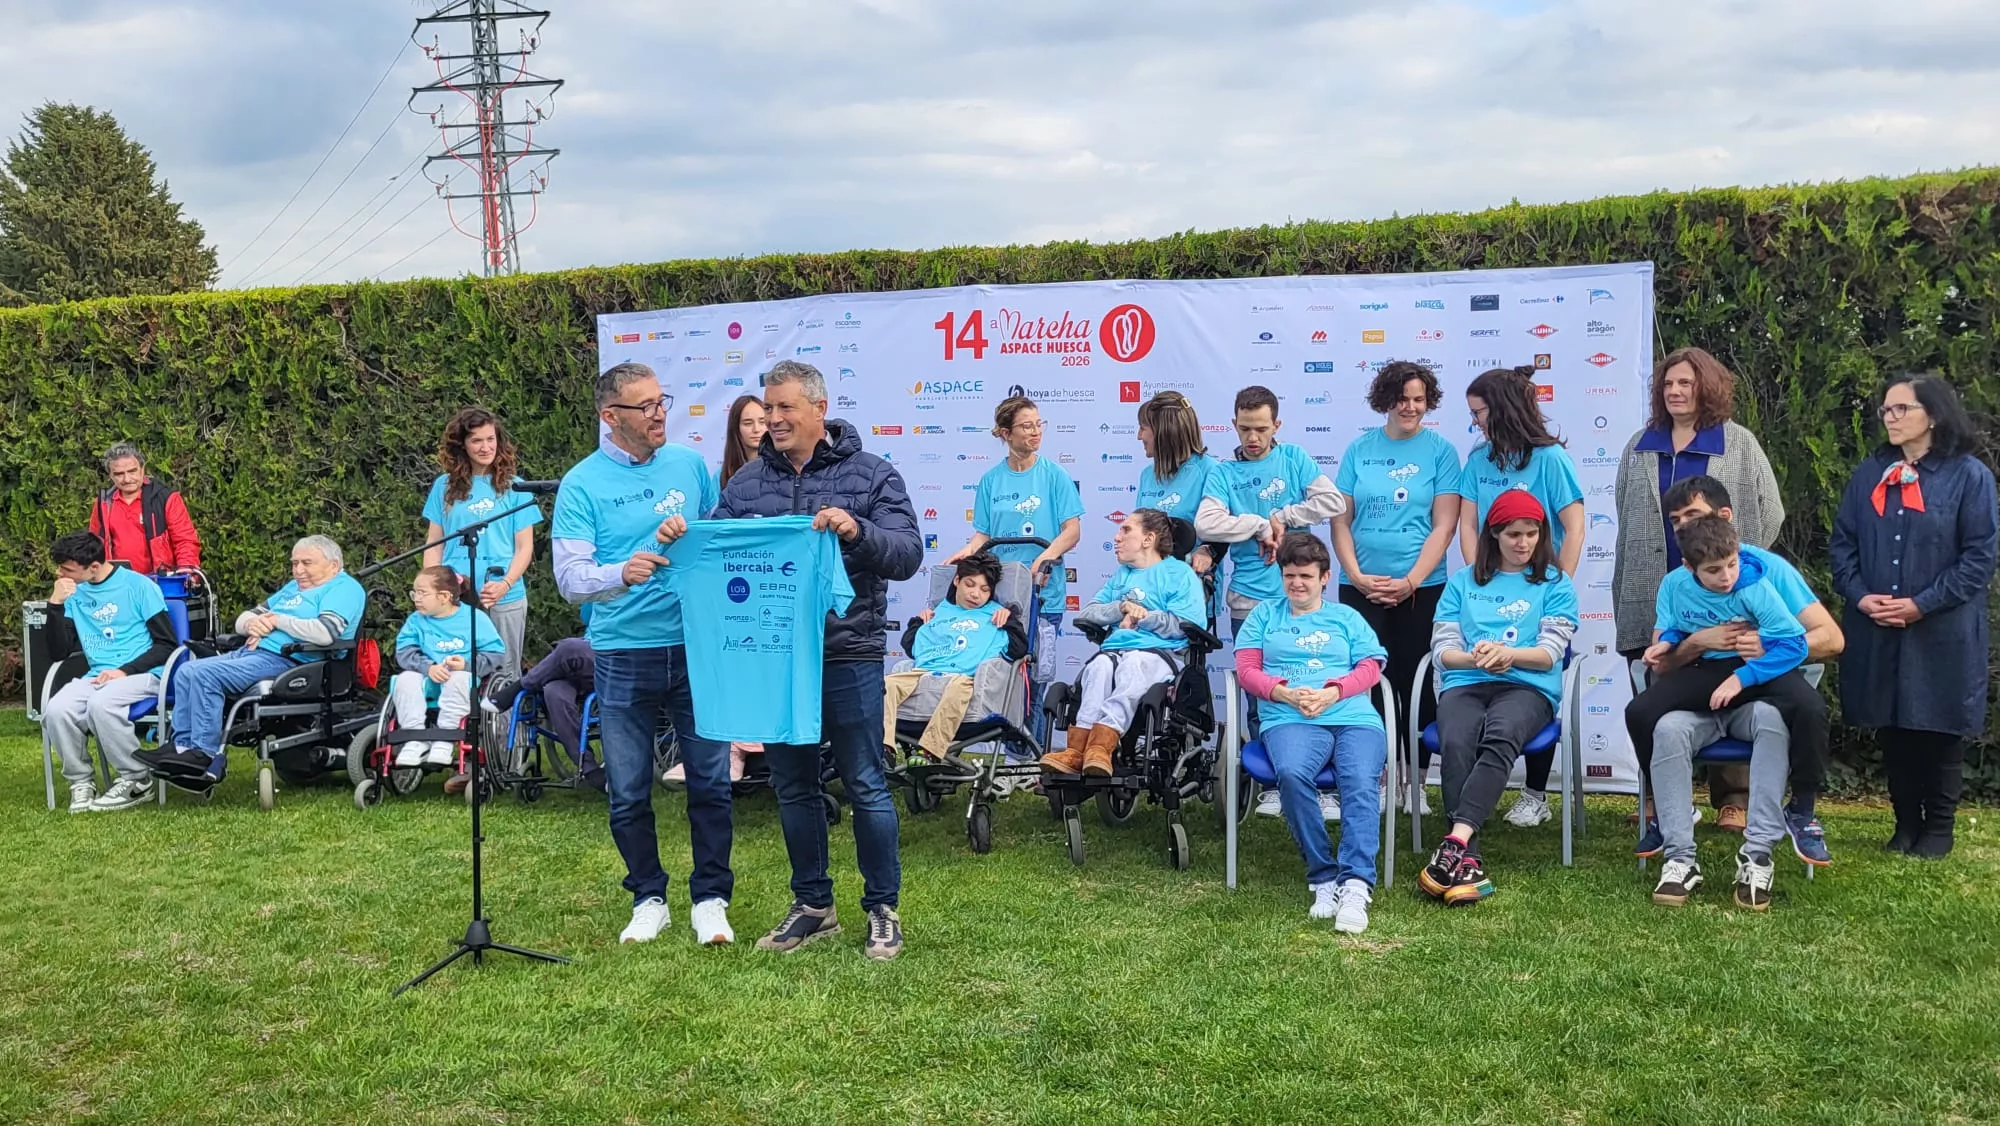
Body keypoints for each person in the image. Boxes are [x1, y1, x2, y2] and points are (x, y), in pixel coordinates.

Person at [715, 360, 922, 961]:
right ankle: (813, 906)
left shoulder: (873, 474)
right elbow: (721, 549)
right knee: (793, 786)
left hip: (848, 653)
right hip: (775, 658)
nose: (772, 420)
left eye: (784, 409)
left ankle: (883, 909)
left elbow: (907, 555)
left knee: (865, 782)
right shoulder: (746, 483)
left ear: (818, 410)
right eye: (767, 409)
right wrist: (684, 538)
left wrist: (856, 531)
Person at [553, 361, 735, 947]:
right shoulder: (581, 484)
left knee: (709, 780)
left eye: (663, 401)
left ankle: (710, 898)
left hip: (695, 646)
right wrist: (621, 572)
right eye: (646, 405)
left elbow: (715, 541)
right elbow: (570, 579)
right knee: (629, 788)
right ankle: (648, 897)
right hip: (623, 651)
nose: (660, 413)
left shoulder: (690, 464)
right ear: (612, 417)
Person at [1613, 347, 1784, 830]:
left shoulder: (1737, 443)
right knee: (1654, 689)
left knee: (1728, 685)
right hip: (1653, 591)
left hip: (1722, 597)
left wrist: (1730, 561)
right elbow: (1627, 515)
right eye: (1668, 384)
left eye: (1685, 383)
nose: (1675, 392)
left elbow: (1770, 511)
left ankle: (1734, 796)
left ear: (1706, 387)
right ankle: (1659, 798)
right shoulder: (1640, 445)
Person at [1634, 475, 1843, 868]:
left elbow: (1831, 639)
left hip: (1763, 669)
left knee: (1811, 708)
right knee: (1640, 711)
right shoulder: (1677, 581)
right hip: (1703, 672)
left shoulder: (1766, 572)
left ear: (1724, 517)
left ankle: (1802, 812)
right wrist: (1696, 641)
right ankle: (1664, 812)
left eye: (1691, 515)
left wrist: (1765, 643)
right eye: (1675, 519)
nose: (1682, 526)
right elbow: (1664, 661)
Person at [1832, 373, 1998, 859]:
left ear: (1935, 415)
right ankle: (1905, 824)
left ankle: (1939, 829)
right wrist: (1862, 597)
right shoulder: (1869, 474)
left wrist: (1921, 603)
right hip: (1878, 625)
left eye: (1901, 409)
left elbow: (1978, 558)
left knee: (1939, 727)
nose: (1890, 417)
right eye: (1886, 409)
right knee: (1894, 726)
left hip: (1942, 628)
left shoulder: (1969, 477)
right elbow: (1844, 544)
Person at [1637, 516, 1812, 908]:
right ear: (1689, 566)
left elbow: (1795, 644)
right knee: (1665, 726)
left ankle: (1758, 854)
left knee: (1774, 721)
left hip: (1748, 694)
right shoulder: (1674, 585)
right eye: (1715, 571)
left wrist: (1744, 673)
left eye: (1731, 565)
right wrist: (1666, 644)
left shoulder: (1755, 587)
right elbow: (1672, 630)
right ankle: (1679, 857)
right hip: (1697, 692)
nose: (1727, 576)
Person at [1419, 491, 1578, 906]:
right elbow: (1442, 650)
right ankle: (1467, 858)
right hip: (1466, 681)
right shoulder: (1462, 581)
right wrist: (1476, 656)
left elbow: (1548, 655)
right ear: (1494, 534)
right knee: (1456, 738)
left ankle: (1455, 838)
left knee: (1502, 733)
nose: (1522, 543)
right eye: (1513, 534)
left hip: (1528, 686)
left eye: (1531, 533)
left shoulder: (1556, 583)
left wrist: (1508, 655)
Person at [1194, 385, 1347, 815]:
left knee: (1313, 681)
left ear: (1276, 425)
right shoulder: (1223, 472)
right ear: (1234, 425)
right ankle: (1275, 782)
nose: (1253, 437)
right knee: (1261, 692)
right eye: (1245, 429)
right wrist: (1260, 525)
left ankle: (1319, 782)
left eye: (1261, 428)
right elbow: (1207, 520)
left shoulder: (1295, 459)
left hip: (1300, 596)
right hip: (1249, 602)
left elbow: (1332, 501)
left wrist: (1284, 516)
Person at [1234, 532, 1389, 934]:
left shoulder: (1347, 617)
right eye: (1289, 576)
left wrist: (1333, 691)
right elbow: (1247, 670)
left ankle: (1355, 884)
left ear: (1324, 577)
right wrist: (1283, 693)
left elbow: (1371, 667)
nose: (1296, 584)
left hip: (1352, 715)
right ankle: (1323, 876)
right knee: (1292, 774)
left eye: (1305, 575)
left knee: (1359, 780)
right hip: (1290, 716)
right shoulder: (1264, 616)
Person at [1453, 365, 1585, 829]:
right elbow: (1469, 525)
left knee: (1533, 685)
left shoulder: (1550, 459)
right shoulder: (1479, 459)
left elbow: (1574, 526)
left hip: (1540, 595)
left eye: (1479, 412)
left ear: (1503, 408)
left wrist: (1554, 585)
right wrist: (1480, 579)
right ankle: (1470, 801)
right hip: (1489, 590)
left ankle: (1535, 793)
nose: (1476, 423)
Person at [1330, 360, 1461, 818]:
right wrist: (1357, 575)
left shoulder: (1442, 451)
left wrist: (1411, 581)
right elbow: (1340, 521)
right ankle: (1379, 780)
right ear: (1385, 400)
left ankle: (1417, 783)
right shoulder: (1359, 450)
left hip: (1422, 590)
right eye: (1402, 398)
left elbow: (1444, 526)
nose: (1410, 407)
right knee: (1367, 686)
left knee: (1418, 684)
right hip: (1360, 588)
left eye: (1419, 399)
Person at [144, 536, 366, 784]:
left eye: (306, 563)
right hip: (253, 653)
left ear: (333, 566)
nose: (298, 570)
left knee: (204, 674)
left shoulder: (344, 588)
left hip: (293, 660)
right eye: (294, 563)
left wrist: (276, 621)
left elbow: (325, 633)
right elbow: (242, 620)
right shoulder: (294, 588)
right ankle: (181, 748)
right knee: (186, 670)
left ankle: (204, 754)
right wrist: (252, 623)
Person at [943, 395, 1083, 755]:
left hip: (1042, 593)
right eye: (1027, 426)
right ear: (1006, 433)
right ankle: (998, 749)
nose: (1036, 432)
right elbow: (983, 534)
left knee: (1034, 678)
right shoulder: (991, 480)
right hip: (1002, 594)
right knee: (1003, 672)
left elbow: (1071, 530)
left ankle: (1026, 757)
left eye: (1039, 424)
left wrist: (1047, 556)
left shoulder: (1054, 475)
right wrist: (966, 553)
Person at [1038, 508, 1206, 776]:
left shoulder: (1180, 574)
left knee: (1135, 664)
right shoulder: (1122, 575)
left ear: (1148, 539)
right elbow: (1088, 612)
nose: (1117, 537)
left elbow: (1188, 625)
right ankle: (1078, 750)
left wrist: (1146, 617)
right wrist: (1122, 608)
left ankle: (1101, 748)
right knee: (1099, 667)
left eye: (1126, 530)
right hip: (1116, 650)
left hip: (1158, 654)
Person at [41, 531, 177, 813]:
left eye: (67, 568)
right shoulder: (72, 593)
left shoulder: (139, 586)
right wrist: (54, 606)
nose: (60, 573)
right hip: (98, 675)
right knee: (56, 709)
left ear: (93, 566)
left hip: (146, 673)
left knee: (101, 704)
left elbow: (167, 645)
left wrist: (124, 671)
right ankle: (81, 782)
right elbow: (58, 653)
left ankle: (137, 779)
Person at [423, 407, 541, 679]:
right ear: (462, 445)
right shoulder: (444, 486)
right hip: (457, 595)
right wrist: (436, 585)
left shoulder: (516, 487)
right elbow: (434, 542)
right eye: (476, 440)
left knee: (504, 673)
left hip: (502, 594)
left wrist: (505, 584)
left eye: (491, 439)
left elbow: (524, 547)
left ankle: (506, 723)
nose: (485, 447)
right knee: (454, 669)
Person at [885, 551, 1028, 760]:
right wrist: (919, 623)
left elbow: (1018, 649)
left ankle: (931, 752)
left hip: (965, 676)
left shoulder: (997, 614)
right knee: (886, 685)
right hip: (924, 672)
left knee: (957, 688)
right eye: (970, 585)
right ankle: (884, 749)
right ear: (957, 580)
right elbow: (912, 647)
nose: (975, 594)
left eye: (984, 589)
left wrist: (1010, 621)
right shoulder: (939, 612)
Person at [389, 566, 507, 768]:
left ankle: (446, 737)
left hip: (463, 680)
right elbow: (405, 651)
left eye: (422, 593)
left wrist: (467, 664)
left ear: (444, 596)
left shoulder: (474, 618)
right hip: (427, 679)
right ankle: (414, 739)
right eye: (414, 592)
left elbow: (495, 653)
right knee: (405, 679)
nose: (416, 598)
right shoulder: (416, 621)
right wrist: (428, 667)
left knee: (458, 678)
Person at [487, 634, 603, 791]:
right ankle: (590, 769)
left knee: (571, 648)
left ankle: (518, 687)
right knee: (554, 692)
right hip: (581, 664)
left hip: (611, 660)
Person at [1135, 391, 1219, 572]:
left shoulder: (1211, 471)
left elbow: (1223, 531)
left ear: (1163, 431)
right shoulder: (1147, 475)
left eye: (1143, 428)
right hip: (1149, 583)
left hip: (1190, 585)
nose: (1138, 436)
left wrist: (1207, 551)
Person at [89, 442, 202, 574]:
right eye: (119, 474)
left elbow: (185, 541)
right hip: (118, 584)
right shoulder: (103, 503)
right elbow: (93, 544)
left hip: (159, 582)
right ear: (111, 476)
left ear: (142, 469)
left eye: (132, 471)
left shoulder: (166, 498)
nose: (127, 479)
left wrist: (186, 573)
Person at [719, 393, 768, 488]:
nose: (756, 429)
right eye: (748, 423)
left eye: (762, 422)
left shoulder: (783, 471)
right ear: (736, 428)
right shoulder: (722, 476)